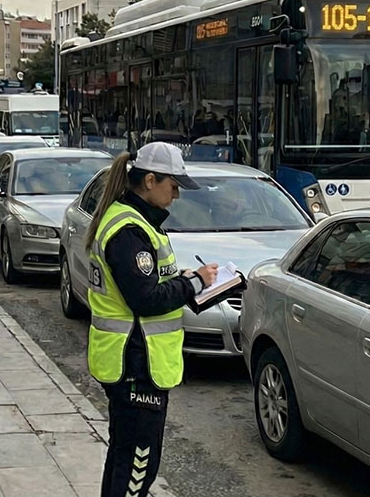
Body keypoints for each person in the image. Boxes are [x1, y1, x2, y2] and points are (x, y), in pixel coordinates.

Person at [85, 142, 218, 497]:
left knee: (123, 457)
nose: (176, 194)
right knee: (137, 467)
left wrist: (184, 282)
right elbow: (145, 298)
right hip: (135, 363)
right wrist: (194, 282)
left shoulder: (136, 222)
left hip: (132, 359)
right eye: (172, 185)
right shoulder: (129, 231)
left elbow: (149, 284)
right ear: (149, 180)